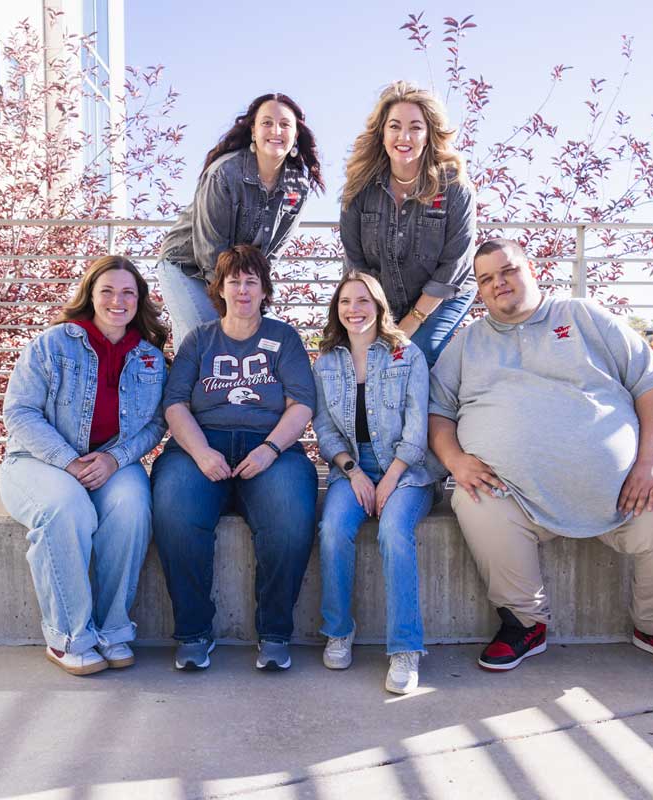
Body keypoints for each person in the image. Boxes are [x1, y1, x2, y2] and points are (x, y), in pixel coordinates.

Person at [428, 239, 653, 677]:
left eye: (507, 270)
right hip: (517, 495)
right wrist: (455, 460)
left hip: (625, 491)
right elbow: (438, 411)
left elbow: (652, 385)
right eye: (485, 279)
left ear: (531, 269)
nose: (497, 283)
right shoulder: (467, 343)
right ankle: (524, 623)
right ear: (479, 291)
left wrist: (648, 463)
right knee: (474, 499)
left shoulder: (583, 316)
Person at [151, 244, 318, 672]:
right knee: (175, 514)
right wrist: (201, 452)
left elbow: (301, 403)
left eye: (251, 281)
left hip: (270, 446)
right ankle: (193, 633)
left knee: (288, 520)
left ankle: (275, 632)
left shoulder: (283, 338)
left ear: (264, 290)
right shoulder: (199, 339)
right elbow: (174, 403)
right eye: (233, 281)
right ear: (219, 289)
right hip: (200, 445)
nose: (242, 290)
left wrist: (270, 449)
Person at [0, 256, 168, 676]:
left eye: (128, 292)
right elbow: (19, 412)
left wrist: (115, 458)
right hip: (39, 460)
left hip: (112, 461)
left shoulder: (149, 358)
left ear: (139, 300)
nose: (117, 301)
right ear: (90, 295)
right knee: (65, 507)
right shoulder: (52, 345)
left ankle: (113, 629)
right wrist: (68, 461)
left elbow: (156, 424)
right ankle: (68, 637)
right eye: (107, 291)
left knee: (132, 508)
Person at [312, 272, 440, 694]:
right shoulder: (326, 363)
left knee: (394, 531)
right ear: (336, 310)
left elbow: (417, 429)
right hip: (352, 468)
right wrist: (354, 472)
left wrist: (390, 478)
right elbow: (325, 430)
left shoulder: (406, 354)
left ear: (379, 306)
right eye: (345, 302)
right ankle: (338, 630)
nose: (354, 309)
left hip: (407, 469)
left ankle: (405, 648)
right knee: (333, 529)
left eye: (363, 300)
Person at [156, 93, 325, 348]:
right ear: (254, 131)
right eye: (267, 123)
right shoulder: (225, 173)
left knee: (264, 340)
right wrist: (233, 307)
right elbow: (210, 251)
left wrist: (254, 299)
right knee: (204, 339)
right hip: (187, 266)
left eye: (284, 124)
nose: (276, 130)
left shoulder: (296, 186)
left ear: (295, 135)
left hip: (238, 279)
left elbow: (270, 254)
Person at [339, 80, 477, 367]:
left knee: (415, 355)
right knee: (364, 357)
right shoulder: (360, 188)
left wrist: (409, 324)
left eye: (415, 127)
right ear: (382, 133)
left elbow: (454, 266)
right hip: (382, 298)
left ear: (428, 135)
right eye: (394, 126)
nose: (404, 136)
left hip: (443, 296)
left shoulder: (454, 187)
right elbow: (356, 263)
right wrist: (379, 321)